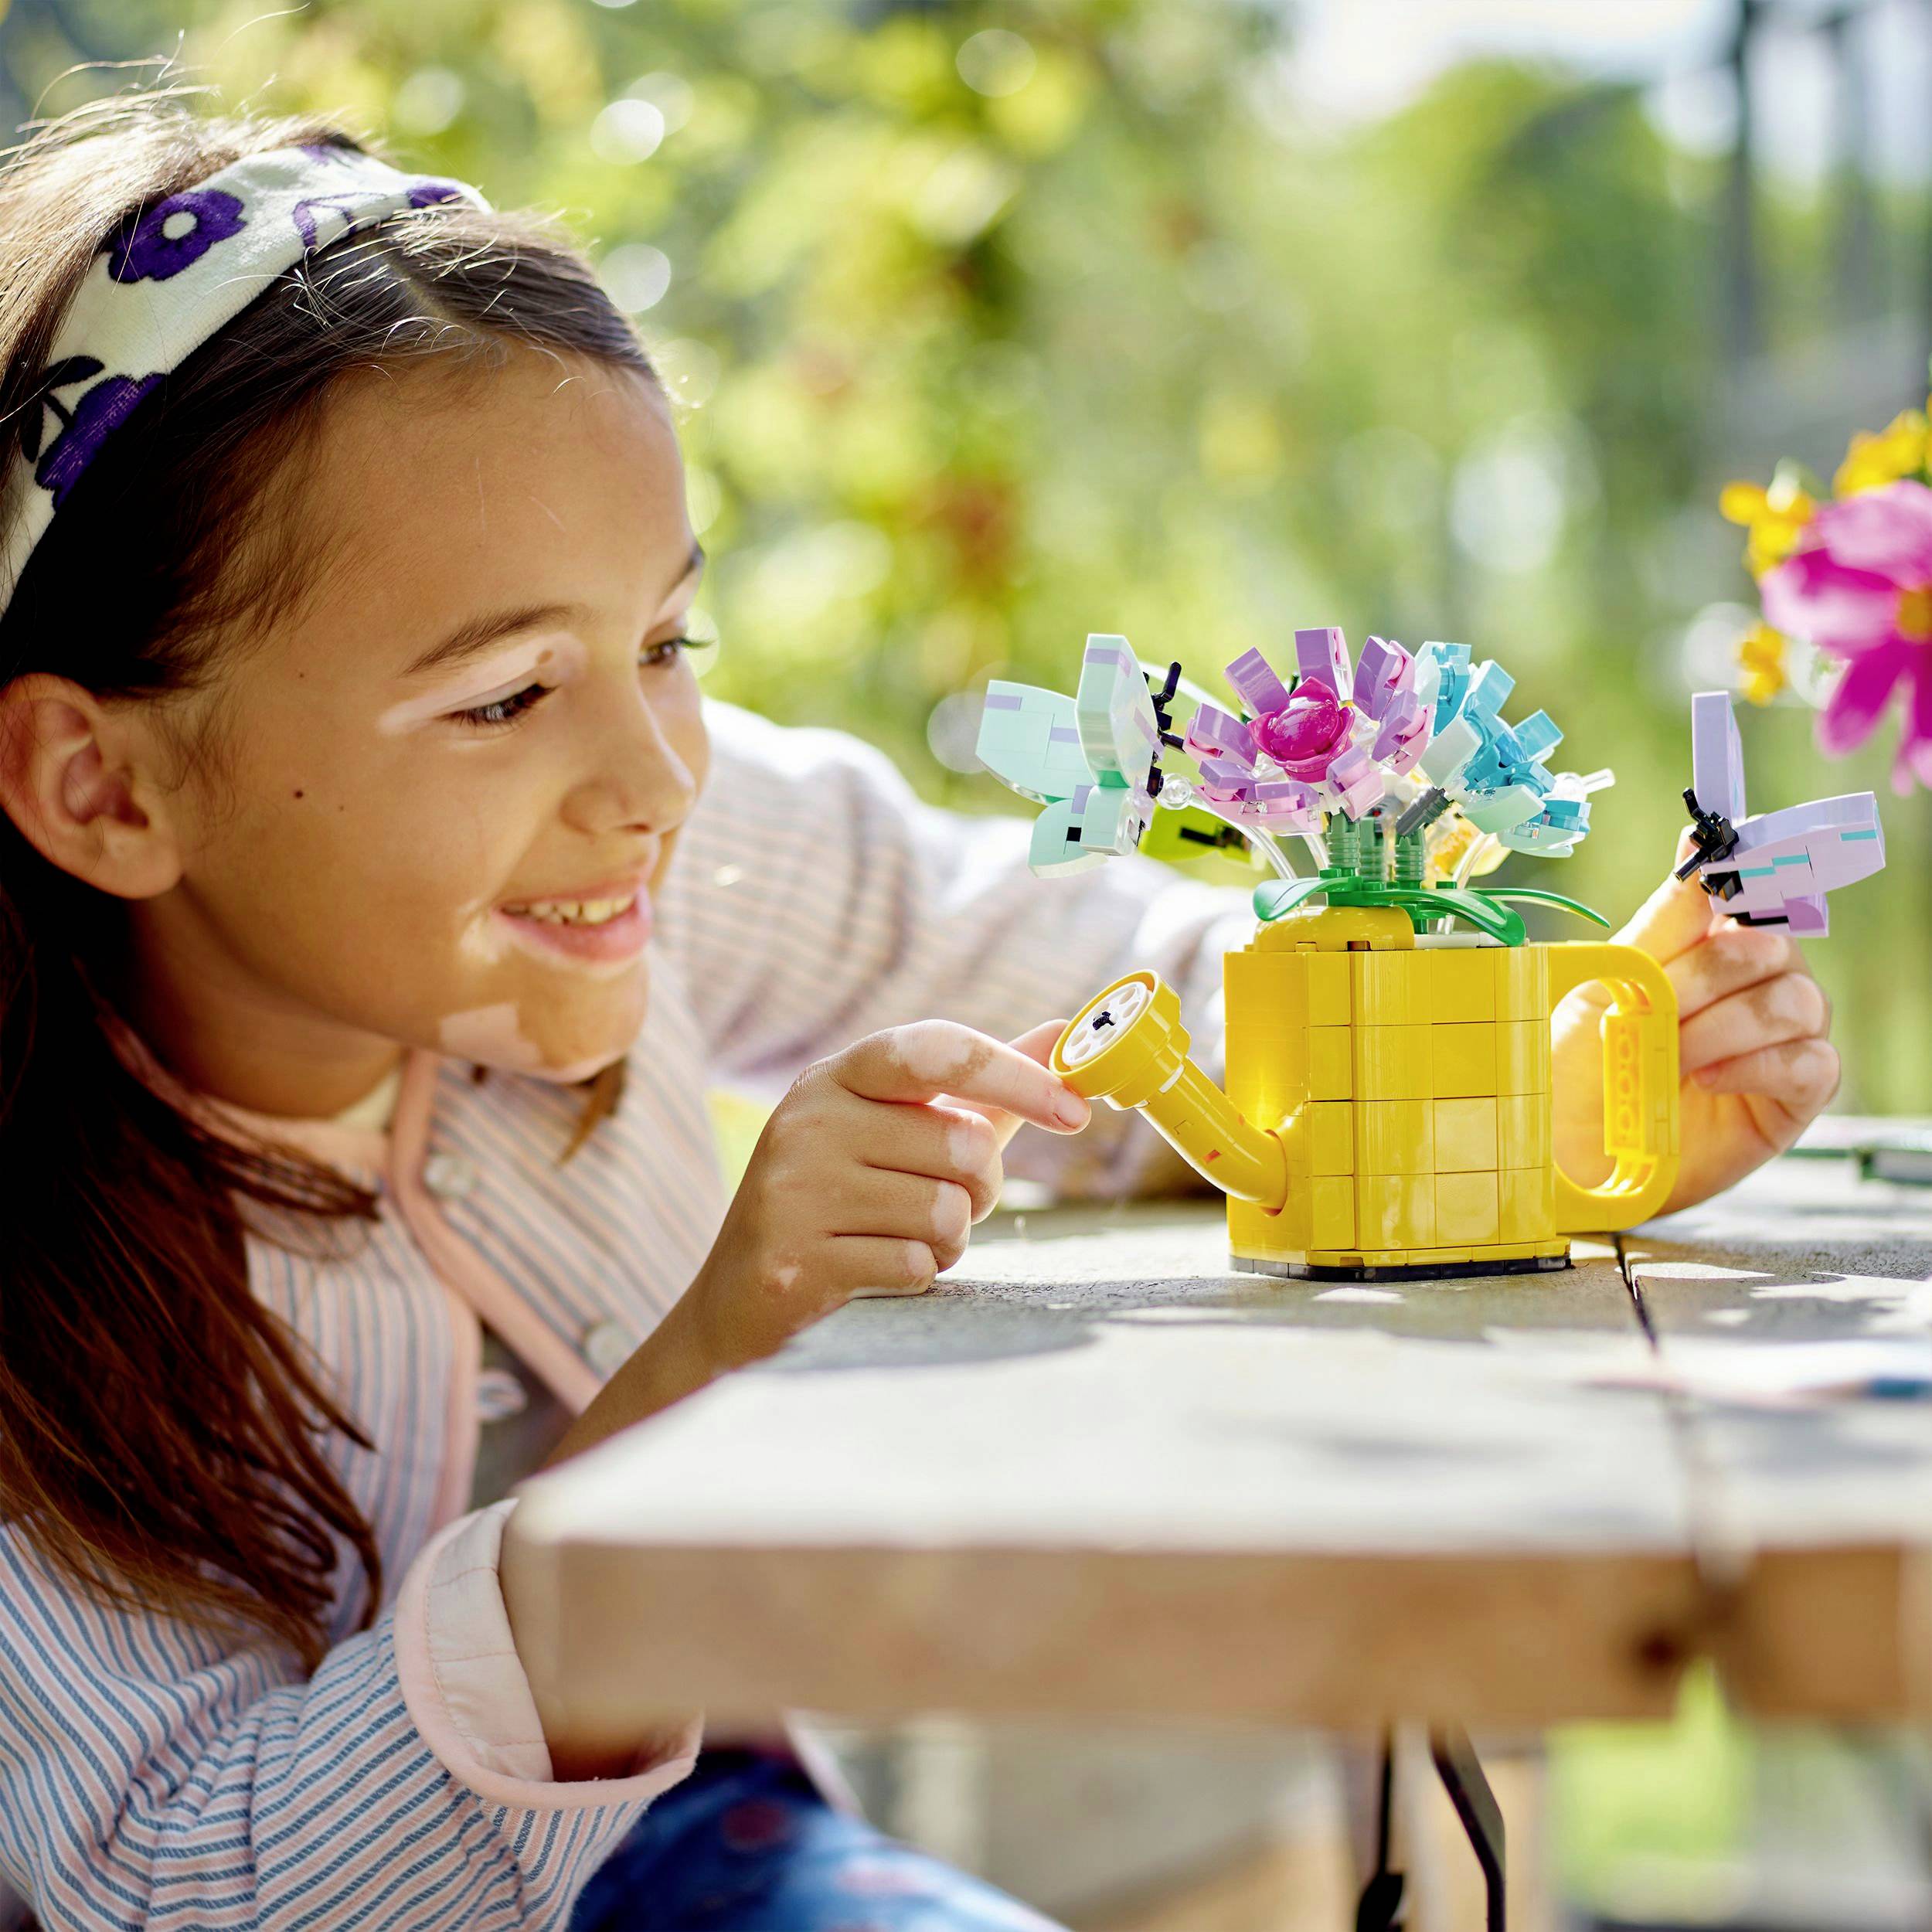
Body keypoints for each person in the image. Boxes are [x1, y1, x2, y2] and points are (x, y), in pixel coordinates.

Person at [0, 100, 1838, 1932]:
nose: (650, 774)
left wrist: (1526, 1094)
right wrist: (699, 1371)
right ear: (105, 787)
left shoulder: (660, 855)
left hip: (689, 1848)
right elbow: (181, 1887)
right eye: (501, 696)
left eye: (663, 645)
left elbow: (1104, 985)